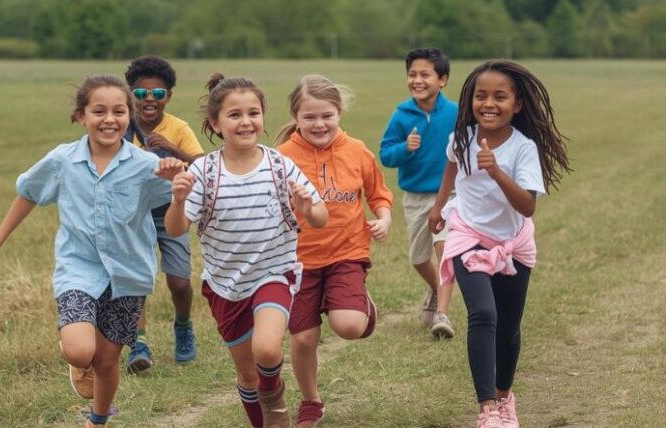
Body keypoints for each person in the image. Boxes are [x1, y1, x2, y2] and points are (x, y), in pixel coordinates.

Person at [0, 75, 185, 428]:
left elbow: (178, 224)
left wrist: (178, 187)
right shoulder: (63, 160)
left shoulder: (147, 167)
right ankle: (76, 358)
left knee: (108, 362)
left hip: (129, 275)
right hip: (78, 268)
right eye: (99, 111)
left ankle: (97, 420)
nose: (109, 119)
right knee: (81, 351)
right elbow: (29, 192)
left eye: (118, 111)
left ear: (129, 117)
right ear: (81, 116)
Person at [165, 73, 328, 428]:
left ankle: (276, 407)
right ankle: (264, 414)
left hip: (274, 274)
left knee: (267, 349)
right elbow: (176, 228)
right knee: (247, 374)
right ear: (215, 123)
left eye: (253, 113)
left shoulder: (278, 165)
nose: (246, 122)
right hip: (225, 285)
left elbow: (320, 217)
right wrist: (178, 201)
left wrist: (307, 205)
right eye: (234, 115)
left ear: (263, 117)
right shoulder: (204, 172)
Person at [428, 59, 570, 428]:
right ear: (470, 100)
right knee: (483, 314)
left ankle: (506, 399)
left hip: (513, 243)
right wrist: (439, 205)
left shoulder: (523, 149)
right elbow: (451, 166)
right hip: (467, 235)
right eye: (480, 96)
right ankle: (487, 409)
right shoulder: (462, 138)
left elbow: (526, 205)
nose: (488, 103)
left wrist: (495, 170)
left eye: (499, 97)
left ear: (517, 105)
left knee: (508, 325)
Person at [275, 75, 394, 427]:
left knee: (349, 326)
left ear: (339, 113)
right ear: (295, 117)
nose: (319, 124)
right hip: (297, 261)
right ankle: (311, 401)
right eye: (309, 117)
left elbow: (379, 194)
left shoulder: (356, 150)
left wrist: (384, 219)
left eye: (326, 115)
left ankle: (357, 304)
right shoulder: (281, 158)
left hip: (347, 252)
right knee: (303, 337)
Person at [123, 55, 204, 371]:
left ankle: (183, 326)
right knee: (136, 280)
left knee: (180, 282)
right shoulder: (122, 126)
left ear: (168, 96)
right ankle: (138, 343)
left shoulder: (178, 127)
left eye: (158, 94)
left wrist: (172, 149)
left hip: (171, 210)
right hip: (133, 213)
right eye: (141, 94)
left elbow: (204, 166)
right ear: (132, 94)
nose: (149, 100)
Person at [379, 47, 458, 338]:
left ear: (442, 80)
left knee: (445, 248)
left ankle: (443, 314)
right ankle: (437, 289)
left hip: (450, 195)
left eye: (425, 74)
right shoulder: (401, 116)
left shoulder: (456, 112)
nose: (417, 80)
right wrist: (405, 149)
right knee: (418, 258)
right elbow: (385, 155)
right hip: (415, 198)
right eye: (412, 74)